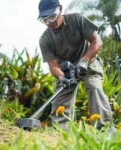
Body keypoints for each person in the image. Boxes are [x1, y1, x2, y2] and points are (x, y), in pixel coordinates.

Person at [38, 0, 115, 131]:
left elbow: (97, 41)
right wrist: (62, 78)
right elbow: (53, 65)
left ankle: (105, 129)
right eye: (45, 20)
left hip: (88, 61)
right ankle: (60, 133)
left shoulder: (77, 20)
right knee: (60, 99)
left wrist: (84, 60)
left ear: (60, 9)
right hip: (65, 70)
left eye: (52, 16)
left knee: (94, 86)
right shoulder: (45, 39)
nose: (50, 22)